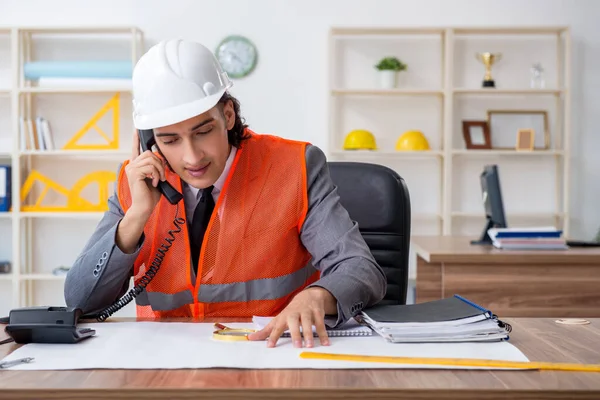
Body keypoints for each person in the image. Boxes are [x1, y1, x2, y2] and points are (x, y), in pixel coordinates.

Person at [64, 39, 386, 348]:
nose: (192, 157)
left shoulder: (296, 167)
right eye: (170, 140)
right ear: (150, 141)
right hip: (165, 371)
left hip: (273, 358)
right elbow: (79, 301)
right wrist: (136, 218)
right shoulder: (136, 182)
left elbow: (360, 268)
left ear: (228, 115)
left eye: (203, 132)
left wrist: (319, 296)